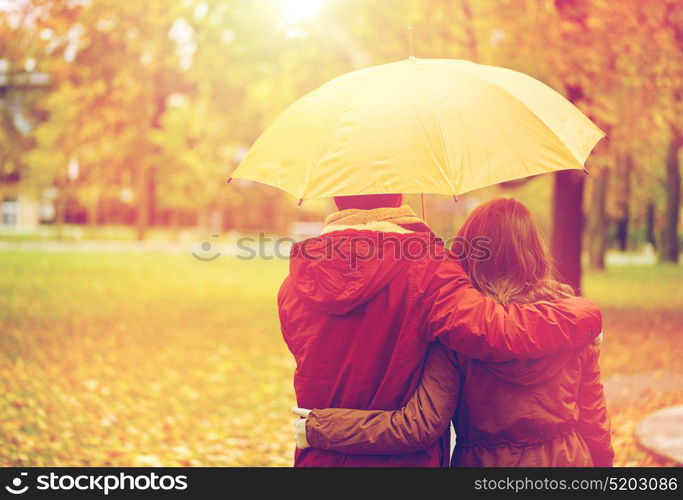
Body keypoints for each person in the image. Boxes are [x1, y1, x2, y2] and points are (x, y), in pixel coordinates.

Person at [279, 193, 603, 467]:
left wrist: (319, 429)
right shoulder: (430, 271)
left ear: (336, 199)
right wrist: (584, 314)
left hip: (320, 456)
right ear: (397, 197)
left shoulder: (295, 284)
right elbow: (502, 330)